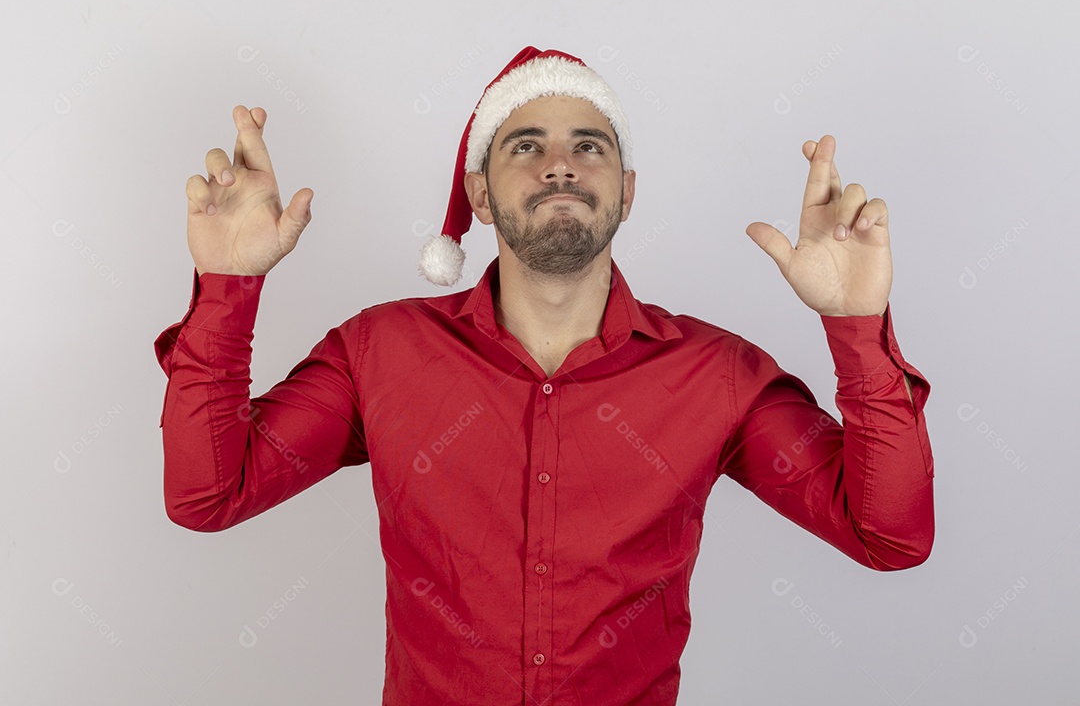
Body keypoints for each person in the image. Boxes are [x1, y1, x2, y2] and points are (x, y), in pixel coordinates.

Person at [156, 46, 934, 706]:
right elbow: (209, 495)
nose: (560, 164)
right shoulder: (378, 352)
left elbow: (889, 536)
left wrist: (856, 326)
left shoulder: (717, 375)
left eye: (590, 146)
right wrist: (228, 285)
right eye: (524, 145)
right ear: (480, 196)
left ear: (628, 192)